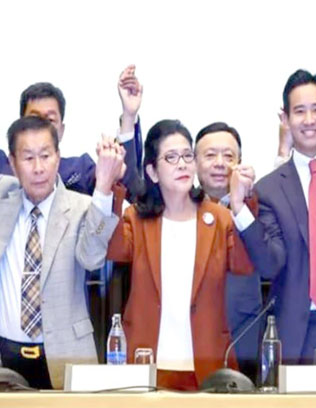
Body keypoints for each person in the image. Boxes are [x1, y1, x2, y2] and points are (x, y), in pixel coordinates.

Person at [233, 69, 316, 364]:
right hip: (292, 333)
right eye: (299, 111)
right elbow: (270, 264)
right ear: (285, 119)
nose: (309, 120)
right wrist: (240, 210)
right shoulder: (269, 188)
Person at [107, 119, 254, 390]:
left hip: (207, 365)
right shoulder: (136, 219)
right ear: (152, 171)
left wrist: (243, 201)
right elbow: (113, 250)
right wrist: (109, 186)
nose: (182, 164)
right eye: (171, 157)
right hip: (148, 364)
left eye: (187, 156)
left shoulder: (219, 218)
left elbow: (245, 266)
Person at [0, 116, 123, 389]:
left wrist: (104, 186)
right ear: (12, 163)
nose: (38, 168)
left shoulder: (83, 207)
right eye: (28, 158)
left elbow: (92, 258)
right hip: (5, 356)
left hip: (66, 353)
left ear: (58, 157)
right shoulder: (3, 200)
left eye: (45, 156)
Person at [0, 65, 143, 198]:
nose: (41, 128)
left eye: (50, 120)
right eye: (35, 119)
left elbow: (130, 193)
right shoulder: (3, 168)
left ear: (61, 130)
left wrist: (128, 117)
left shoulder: (80, 169)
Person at [195, 121, 262, 381]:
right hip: (190, 333)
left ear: (240, 164)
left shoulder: (259, 204)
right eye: (210, 155)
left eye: (229, 156)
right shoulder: (177, 206)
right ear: (194, 162)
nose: (220, 163)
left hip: (242, 332)